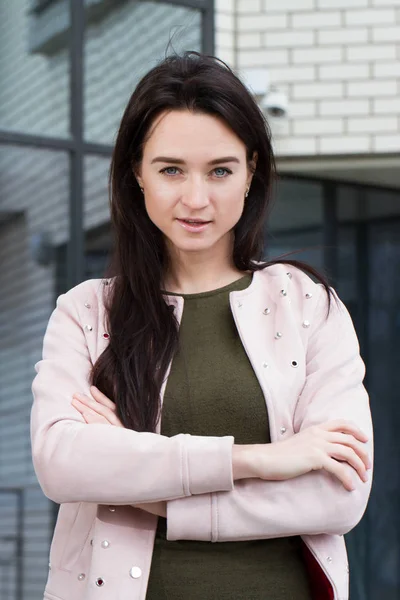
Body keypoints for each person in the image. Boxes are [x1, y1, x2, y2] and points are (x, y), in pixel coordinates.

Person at [30, 51, 373, 600]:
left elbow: (341, 495)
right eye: (170, 169)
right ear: (136, 173)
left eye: (220, 170)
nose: (196, 199)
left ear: (250, 170)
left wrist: (150, 489)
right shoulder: (87, 312)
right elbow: (62, 464)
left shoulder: (307, 304)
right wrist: (256, 459)